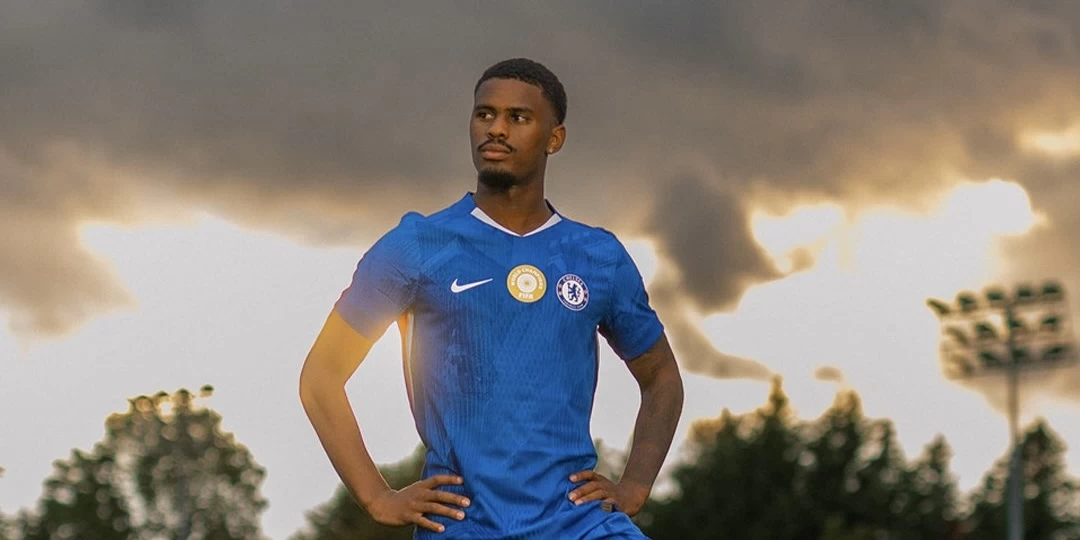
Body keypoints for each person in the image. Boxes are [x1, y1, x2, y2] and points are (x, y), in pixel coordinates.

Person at [299, 57, 684, 539]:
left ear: (554, 138)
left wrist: (635, 487)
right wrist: (377, 496)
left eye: (517, 117)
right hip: (465, 525)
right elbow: (321, 376)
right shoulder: (417, 246)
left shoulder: (598, 257)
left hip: (579, 523)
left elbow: (662, 377)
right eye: (485, 114)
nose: (496, 129)